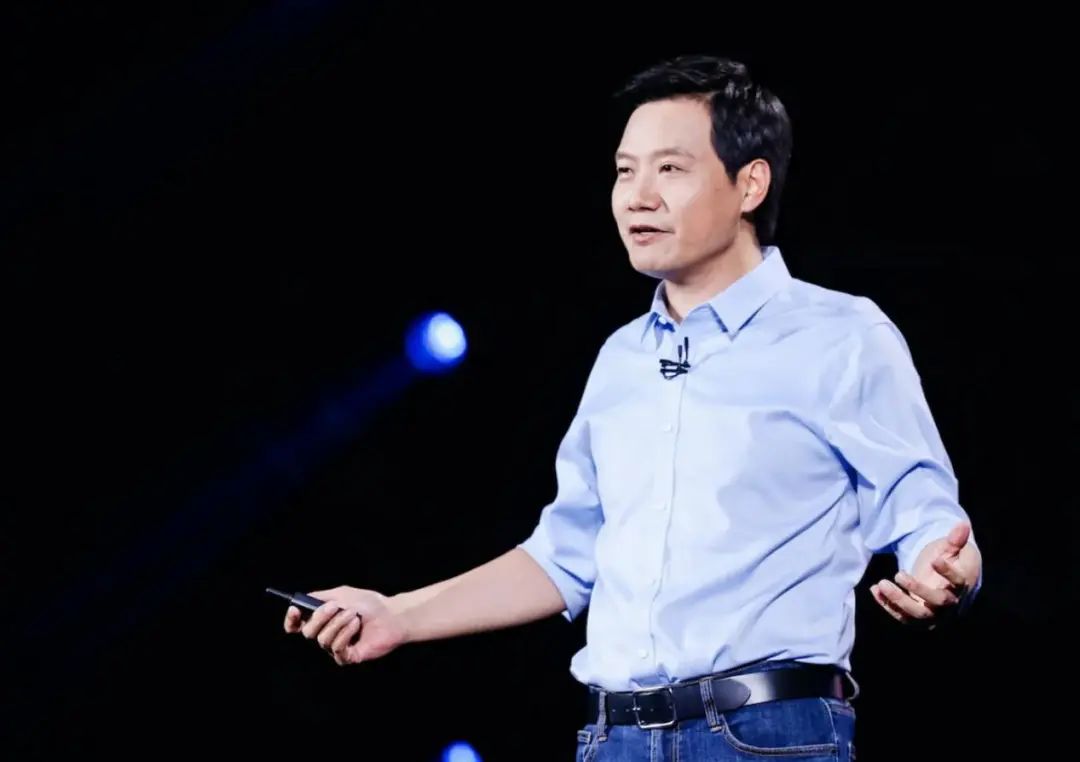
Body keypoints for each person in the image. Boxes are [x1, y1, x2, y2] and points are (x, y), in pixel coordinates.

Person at [281, 54, 984, 760]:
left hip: (763, 736)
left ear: (750, 183)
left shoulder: (841, 335)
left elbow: (926, 514)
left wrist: (946, 572)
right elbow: (566, 556)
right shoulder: (622, 358)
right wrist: (397, 614)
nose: (638, 197)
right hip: (611, 737)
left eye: (670, 169)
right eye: (625, 171)